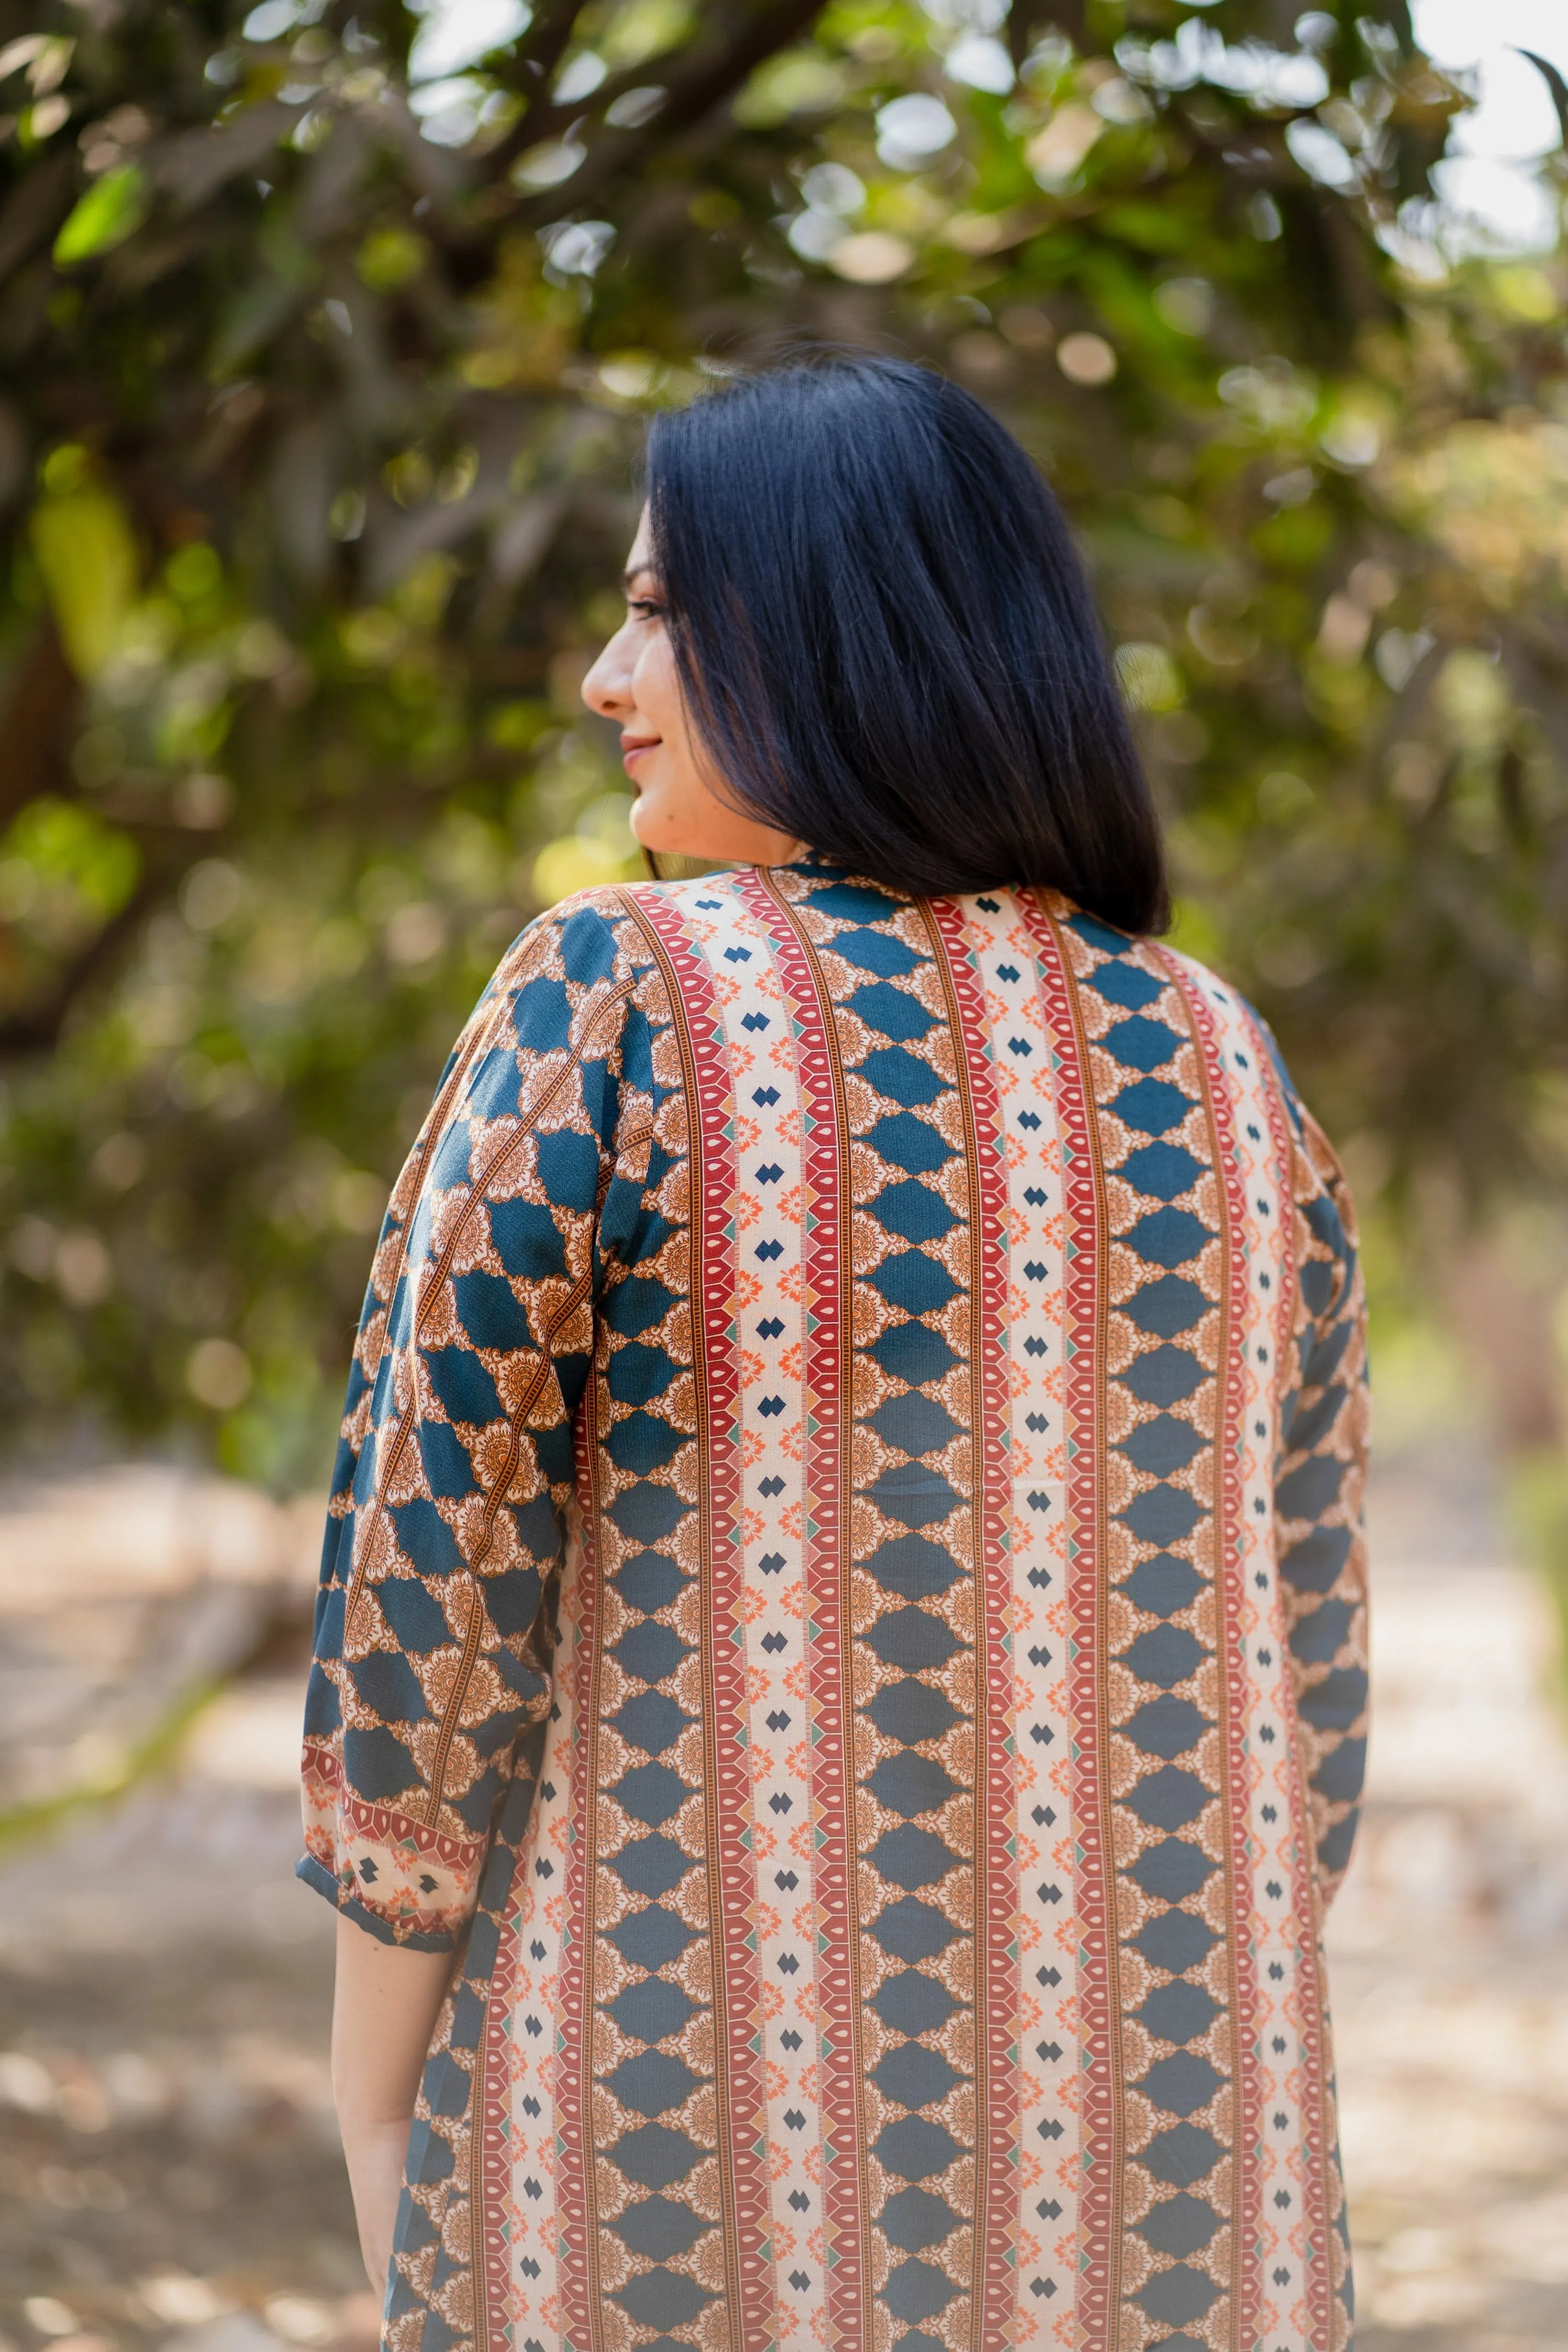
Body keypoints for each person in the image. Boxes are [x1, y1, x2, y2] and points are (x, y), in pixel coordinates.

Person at [299, 353, 1368, 2352]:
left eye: (650, 610)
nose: (607, 683)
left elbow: (425, 1603)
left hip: (664, 2166)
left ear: (822, 622)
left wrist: (374, 2106)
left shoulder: (613, 993)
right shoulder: (1224, 1059)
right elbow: (1308, 1682)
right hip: (1180, 2197)